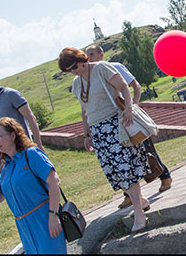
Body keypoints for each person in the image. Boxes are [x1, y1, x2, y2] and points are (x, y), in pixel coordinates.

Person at [59, 47, 151, 232]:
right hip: (98, 131)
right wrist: (86, 134)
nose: (73, 71)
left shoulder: (101, 68)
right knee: (115, 172)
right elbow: (84, 110)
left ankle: (139, 213)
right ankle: (139, 200)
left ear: (80, 59)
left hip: (116, 124)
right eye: (68, 70)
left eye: (74, 66)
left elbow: (124, 86)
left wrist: (129, 108)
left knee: (126, 168)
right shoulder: (77, 84)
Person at [84, 45, 173, 210]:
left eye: (92, 54)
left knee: (144, 147)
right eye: (87, 55)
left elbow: (135, 86)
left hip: (126, 113)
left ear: (101, 54)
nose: (89, 58)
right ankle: (130, 195)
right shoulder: (90, 75)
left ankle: (164, 175)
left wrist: (133, 107)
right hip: (112, 119)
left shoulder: (114, 67)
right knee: (123, 156)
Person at [0, 117, 67, 254]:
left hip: (44, 219)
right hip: (24, 228)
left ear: (13, 135)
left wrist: (53, 215)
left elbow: (54, 181)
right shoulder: (6, 167)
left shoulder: (31, 154)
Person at [0, 66, 46, 153]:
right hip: (8, 156)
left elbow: (31, 118)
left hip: (24, 150)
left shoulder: (11, 94)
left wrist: (38, 145)